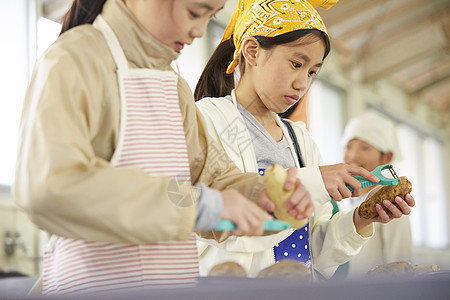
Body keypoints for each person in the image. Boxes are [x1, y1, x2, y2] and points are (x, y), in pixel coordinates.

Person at [14, 0, 314, 295]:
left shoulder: (172, 85)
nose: (199, 31)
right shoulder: (76, 58)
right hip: (91, 287)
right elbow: (52, 186)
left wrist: (261, 195)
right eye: (195, 12)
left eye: (210, 16)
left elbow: (211, 177)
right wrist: (201, 206)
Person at [194, 0, 415, 279]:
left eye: (312, 72)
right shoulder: (209, 119)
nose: (302, 83)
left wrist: (360, 218)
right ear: (252, 51)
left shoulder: (300, 140)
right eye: (296, 64)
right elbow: (205, 216)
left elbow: (314, 252)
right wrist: (313, 181)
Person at [336, 111, 413, 278]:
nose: (352, 156)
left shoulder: (393, 207)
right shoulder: (339, 202)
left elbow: (401, 265)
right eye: (348, 146)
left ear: (387, 157)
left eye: (365, 147)